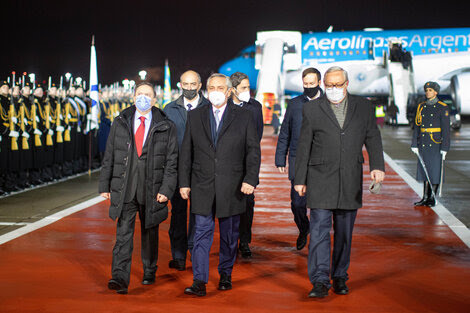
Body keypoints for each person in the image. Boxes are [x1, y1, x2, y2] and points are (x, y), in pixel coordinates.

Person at [294, 66, 385, 298]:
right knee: (319, 231)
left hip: (349, 179)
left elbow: (372, 136)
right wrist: (300, 179)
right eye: (329, 85)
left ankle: (340, 276)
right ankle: (320, 280)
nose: (333, 89)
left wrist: (377, 166)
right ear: (324, 85)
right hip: (320, 178)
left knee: (344, 233)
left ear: (346, 84)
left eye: (337, 84)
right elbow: (304, 145)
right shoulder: (312, 108)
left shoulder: (364, 107)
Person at [179, 73, 260, 296]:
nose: (215, 91)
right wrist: (184, 183)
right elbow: (187, 151)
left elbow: (253, 150)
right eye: (211, 87)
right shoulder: (195, 116)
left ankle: (225, 274)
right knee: (201, 234)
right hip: (202, 185)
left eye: (219, 87)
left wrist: (250, 179)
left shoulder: (244, 116)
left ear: (228, 91)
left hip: (233, 186)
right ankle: (199, 281)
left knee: (229, 235)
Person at [99, 82, 178, 294]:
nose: (143, 98)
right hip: (125, 187)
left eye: (147, 95)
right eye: (139, 94)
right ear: (133, 98)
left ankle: (149, 269)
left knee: (149, 232)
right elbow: (110, 155)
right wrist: (105, 184)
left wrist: (166, 189)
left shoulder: (166, 125)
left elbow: (172, 162)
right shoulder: (120, 122)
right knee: (123, 233)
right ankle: (119, 277)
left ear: (154, 100)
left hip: (152, 188)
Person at [163, 70, 210, 271]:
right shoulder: (170, 109)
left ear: (200, 85)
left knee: (199, 213)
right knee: (178, 213)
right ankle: (179, 255)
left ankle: (194, 249)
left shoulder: (210, 107)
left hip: (202, 169)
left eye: (193, 84)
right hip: (176, 169)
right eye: (185, 84)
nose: (189, 88)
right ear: (180, 85)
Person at [275, 67, 323, 251]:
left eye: (312, 83)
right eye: (306, 84)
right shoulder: (295, 104)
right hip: (298, 160)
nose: (309, 86)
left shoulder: (328, 102)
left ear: (319, 82)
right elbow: (285, 131)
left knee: (320, 205)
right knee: (297, 203)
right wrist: (281, 157)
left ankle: (318, 240)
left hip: (321, 162)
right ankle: (304, 228)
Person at [228, 71, 263, 259]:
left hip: (247, 163)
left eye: (248, 87)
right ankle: (230, 241)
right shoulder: (223, 106)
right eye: (243, 88)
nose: (247, 91)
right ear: (233, 89)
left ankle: (244, 241)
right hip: (227, 164)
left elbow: (256, 138)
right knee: (229, 204)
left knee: (248, 203)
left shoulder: (255, 108)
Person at [411, 81, 450, 207]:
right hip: (423, 142)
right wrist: (414, 144)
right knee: (424, 171)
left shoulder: (442, 107)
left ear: (436, 92)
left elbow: (446, 130)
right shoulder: (421, 106)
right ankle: (425, 197)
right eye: (427, 90)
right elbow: (417, 126)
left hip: (435, 143)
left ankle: (432, 197)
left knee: (434, 172)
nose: (428, 92)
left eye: (430, 90)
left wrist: (445, 147)